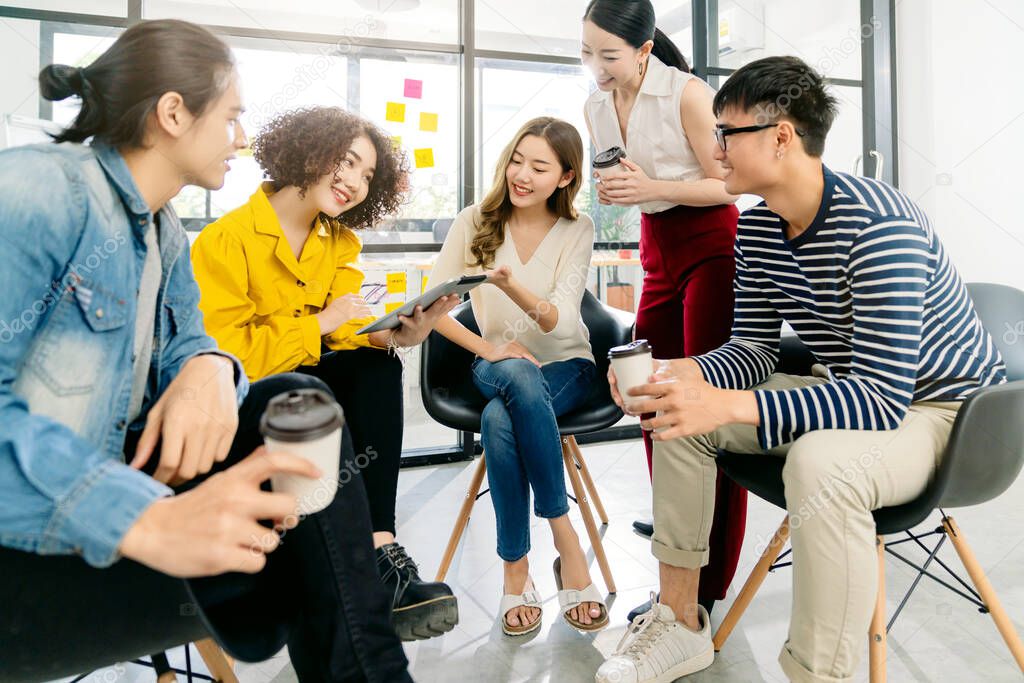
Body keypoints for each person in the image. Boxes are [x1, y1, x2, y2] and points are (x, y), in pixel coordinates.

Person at [0, 20, 412, 681]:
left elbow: (197, 341)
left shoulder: (162, 233)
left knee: (297, 402)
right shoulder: (39, 192)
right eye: (231, 116)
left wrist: (209, 365)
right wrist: (146, 521)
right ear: (172, 113)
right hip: (33, 545)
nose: (244, 138)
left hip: (133, 490)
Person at [595, 55, 1007, 683]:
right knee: (677, 408)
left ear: (781, 137)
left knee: (821, 462)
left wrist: (731, 405)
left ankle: (820, 674)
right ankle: (680, 623)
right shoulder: (758, 226)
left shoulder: (880, 225)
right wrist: (681, 374)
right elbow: (752, 354)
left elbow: (882, 401)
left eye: (723, 134)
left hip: (946, 411)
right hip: (855, 390)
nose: (713, 150)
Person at [190, 106, 459, 640]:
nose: (355, 182)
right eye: (349, 162)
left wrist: (401, 333)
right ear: (308, 149)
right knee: (311, 388)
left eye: (367, 175)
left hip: (310, 387)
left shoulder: (339, 242)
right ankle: (331, 572)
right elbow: (227, 359)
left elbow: (348, 333)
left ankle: (380, 555)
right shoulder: (225, 240)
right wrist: (325, 322)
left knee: (375, 367)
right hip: (246, 399)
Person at [581, 0, 747, 619]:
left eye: (609, 55)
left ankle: (707, 585)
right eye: (586, 53)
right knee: (648, 397)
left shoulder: (688, 95)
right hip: (656, 251)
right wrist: (622, 191)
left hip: (711, 246)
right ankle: (679, 540)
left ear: (644, 48)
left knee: (703, 402)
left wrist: (651, 188)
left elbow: (730, 184)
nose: (596, 69)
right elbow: (623, 184)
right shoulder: (596, 106)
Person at [429, 116, 606, 635]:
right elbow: (432, 309)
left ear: (567, 177)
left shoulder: (579, 228)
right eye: (517, 160)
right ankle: (565, 538)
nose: (521, 175)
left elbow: (561, 319)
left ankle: (515, 569)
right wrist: (490, 347)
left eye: (539, 166)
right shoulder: (474, 221)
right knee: (514, 381)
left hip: (567, 365)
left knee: (500, 421)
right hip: (497, 363)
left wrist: (508, 286)